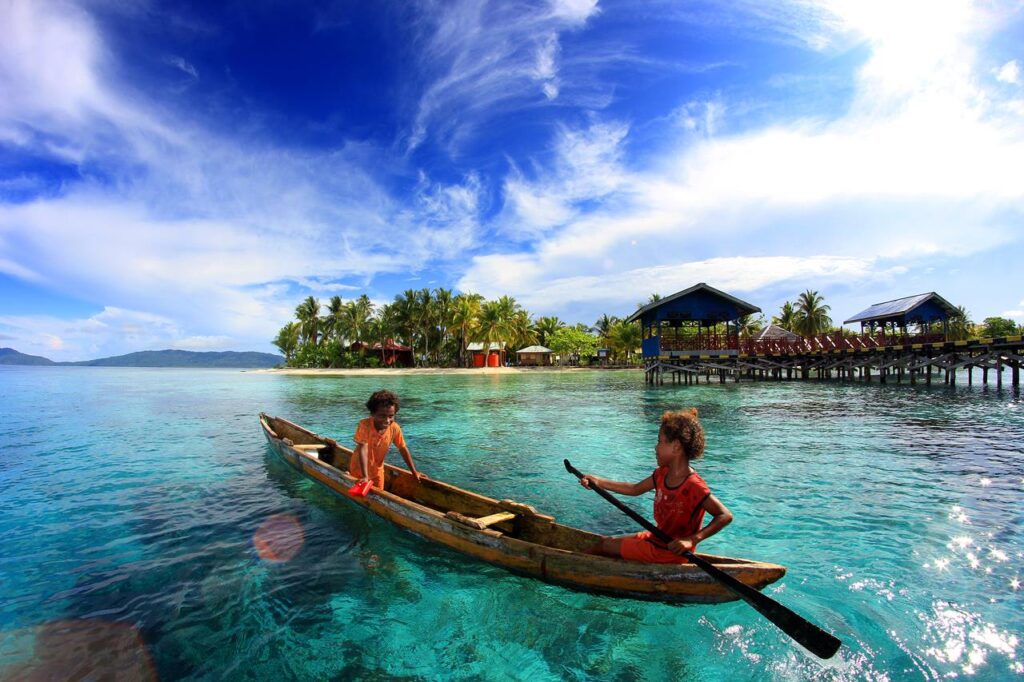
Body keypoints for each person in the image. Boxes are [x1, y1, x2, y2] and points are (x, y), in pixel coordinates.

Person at [580, 408, 732, 563]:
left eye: (660, 441)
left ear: (676, 447)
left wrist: (692, 540)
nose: (655, 447)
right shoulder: (662, 474)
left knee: (604, 546)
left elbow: (724, 515)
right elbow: (634, 489)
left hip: (669, 553)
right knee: (606, 541)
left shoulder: (693, 485)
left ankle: (576, 565)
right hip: (656, 539)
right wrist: (598, 482)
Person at [349, 390, 423, 490]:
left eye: (391, 416)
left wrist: (414, 472)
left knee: (379, 495)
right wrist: (365, 476)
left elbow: (402, 448)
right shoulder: (365, 425)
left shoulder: (394, 427)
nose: (387, 420)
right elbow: (363, 448)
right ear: (373, 413)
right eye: (382, 416)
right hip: (359, 470)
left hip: (378, 471)